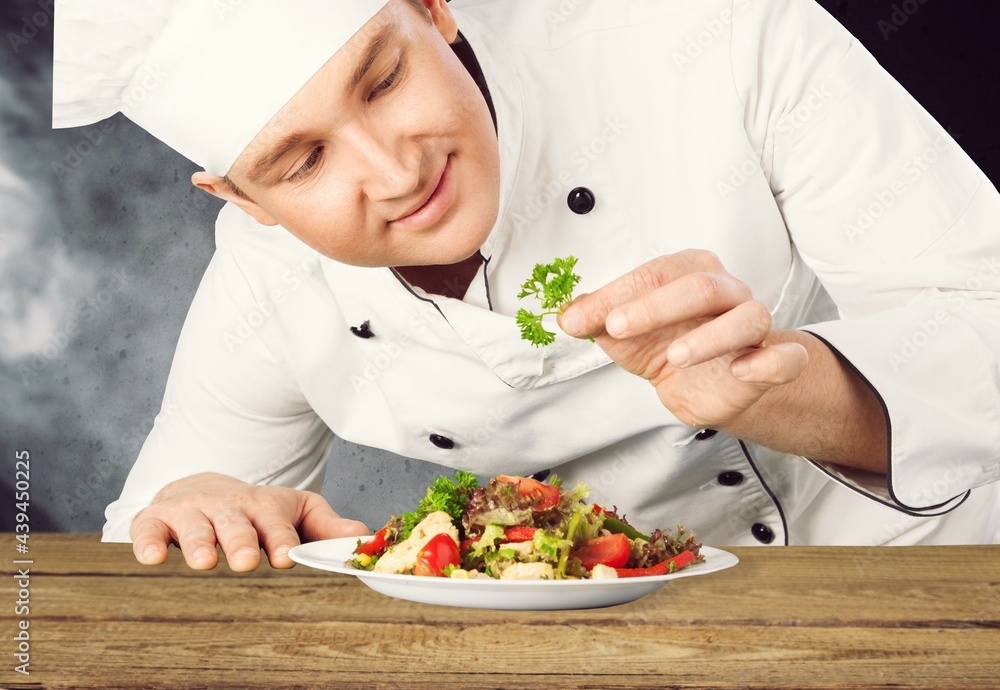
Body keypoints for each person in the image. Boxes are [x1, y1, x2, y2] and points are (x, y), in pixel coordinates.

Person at [53, 0, 1000, 572]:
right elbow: (150, 551)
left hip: (932, 577)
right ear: (243, 200)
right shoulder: (268, 286)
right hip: (620, 643)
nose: (392, 172)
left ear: (434, 10)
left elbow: (983, 317)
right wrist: (200, 517)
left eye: (382, 82)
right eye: (301, 163)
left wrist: (798, 390)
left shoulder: (716, 34)